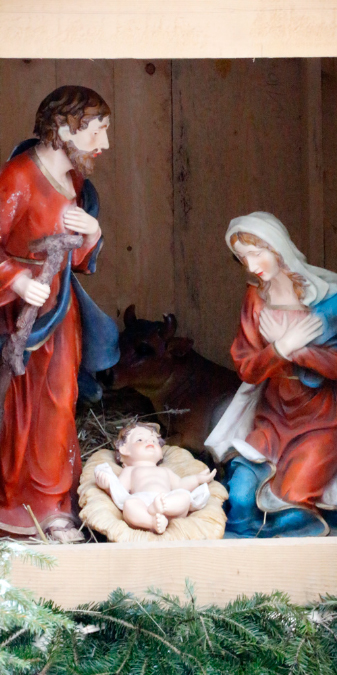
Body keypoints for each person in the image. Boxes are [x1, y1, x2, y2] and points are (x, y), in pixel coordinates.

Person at [0, 86, 118, 542]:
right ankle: (16, 503)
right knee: (20, 409)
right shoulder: (19, 177)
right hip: (19, 318)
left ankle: (53, 505)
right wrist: (16, 280)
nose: (104, 144)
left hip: (60, 311)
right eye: (96, 131)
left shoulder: (75, 181)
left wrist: (92, 233)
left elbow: (78, 258)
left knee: (59, 403)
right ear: (64, 128)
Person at [206, 212, 337, 537]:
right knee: (239, 500)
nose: (251, 266)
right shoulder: (255, 300)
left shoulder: (329, 299)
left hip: (321, 422)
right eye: (242, 258)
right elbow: (247, 368)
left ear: (277, 247)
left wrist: (298, 352)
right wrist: (279, 348)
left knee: (290, 507)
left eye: (256, 253)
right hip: (272, 418)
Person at [94, 422, 216, 534]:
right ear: (124, 449)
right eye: (140, 439)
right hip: (143, 504)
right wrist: (108, 486)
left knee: (185, 496)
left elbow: (180, 485)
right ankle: (152, 522)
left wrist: (197, 479)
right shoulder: (130, 470)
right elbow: (120, 491)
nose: (149, 442)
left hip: (167, 500)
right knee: (129, 504)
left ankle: (164, 508)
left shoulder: (165, 470)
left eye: (153, 440)